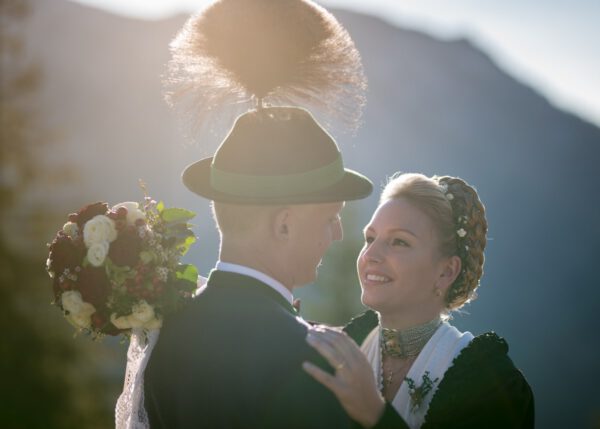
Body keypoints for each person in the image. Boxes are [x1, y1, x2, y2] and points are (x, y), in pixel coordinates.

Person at [142, 1, 373, 427]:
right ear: (284, 224)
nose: (339, 233)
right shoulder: (309, 362)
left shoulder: (167, 334)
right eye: (329, 217)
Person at [303, 173, 535, 429]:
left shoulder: (490, 386)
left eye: (399, 242)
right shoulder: (342, 348)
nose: (370, 254)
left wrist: (376, 415)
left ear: (446, 271)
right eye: (370, 238)